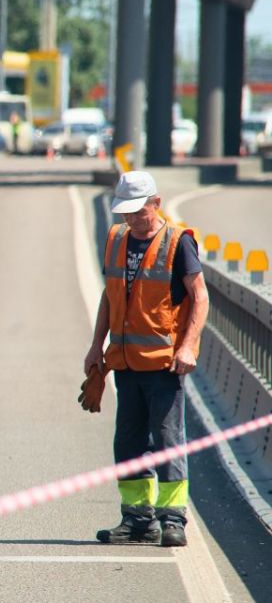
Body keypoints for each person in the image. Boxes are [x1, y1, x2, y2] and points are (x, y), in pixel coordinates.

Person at [82, 170, 208, 548]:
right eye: (126, 213)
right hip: (125, 363)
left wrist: (188, 347)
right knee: (128, 444)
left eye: (139, 212)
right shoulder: (117, 239)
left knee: (168, 441)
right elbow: (110, 296)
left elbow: (200, 297)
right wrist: (95, 347)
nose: (132, 220)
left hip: (164, 365)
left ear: (156, 203)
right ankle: (138, 521)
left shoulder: (177, 242)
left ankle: (173, 520)